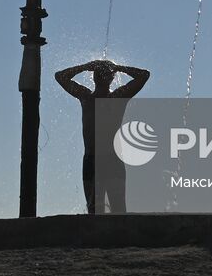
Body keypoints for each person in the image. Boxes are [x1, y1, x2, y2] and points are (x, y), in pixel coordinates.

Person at [54, 59, 150, 214]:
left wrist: (115, 67)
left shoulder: (116, 97)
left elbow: (144, 75)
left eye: (106, 73)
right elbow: (60, 76)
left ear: (110, 78)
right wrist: (92, 67)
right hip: (94, 160)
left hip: (110, 159)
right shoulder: (87, 96)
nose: (103, 76)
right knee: (95, 209)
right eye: (101, 73)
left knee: (117, 209)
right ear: (95, 77)